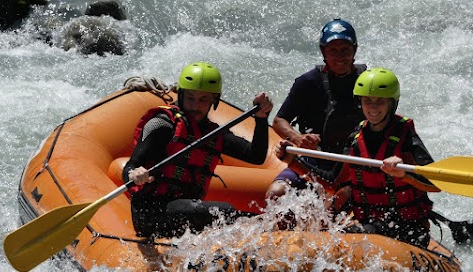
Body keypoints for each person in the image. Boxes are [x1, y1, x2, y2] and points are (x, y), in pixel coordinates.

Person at [277, 67, 440, 247]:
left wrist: (404, 174)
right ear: (360, 102)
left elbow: (435, 183)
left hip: (408, 229)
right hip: (371, 224)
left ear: (391, 104)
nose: (373, 107)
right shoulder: (355, 138)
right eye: (367, 100)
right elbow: (332, 182)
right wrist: (293, 162)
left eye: (380, 101)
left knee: (358, 235)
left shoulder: (406, 136)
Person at [122, 62, 273, 238]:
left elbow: (256, 156)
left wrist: (261, 119)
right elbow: (131, 165)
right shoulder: (161, 123)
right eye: (191, 98)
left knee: (213, 213)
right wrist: (134, 174)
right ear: (182, 95)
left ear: (214, 100)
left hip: (187, 214)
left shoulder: (214, 133)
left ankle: (268, 227)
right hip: (151, 215)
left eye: (203, 99)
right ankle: (264, 227)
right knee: (222, 211)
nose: (195, 106)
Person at [266, 18, 367, 200]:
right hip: (312, 159)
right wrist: (298, 139)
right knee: (276, 193)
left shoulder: (369, 81)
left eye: (345, 50)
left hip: (352, 164)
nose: (340, 56)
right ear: (323, 52)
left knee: (336, 199)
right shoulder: (308, 82)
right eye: (333, 50)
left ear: (355, 50)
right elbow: (279, 120)